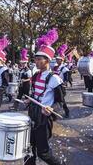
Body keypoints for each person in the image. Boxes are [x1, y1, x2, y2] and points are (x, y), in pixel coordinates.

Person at [24, 28, 65, 165]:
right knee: (28, 149)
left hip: (44, 117)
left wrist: (51, 108)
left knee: (43, 152)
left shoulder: (55, 79)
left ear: (47, 60)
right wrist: (28, 100)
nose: (36, 62)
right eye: (35, 59)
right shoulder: (35, 76)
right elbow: (34, 93)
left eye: (39, 59)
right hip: (32, 113)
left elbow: (60, 103)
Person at [53, 44, 70, 118]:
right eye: (56, 59)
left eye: (58, 59)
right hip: (55, 85)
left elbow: (67, 78)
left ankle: (67, 111)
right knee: (55, 100)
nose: (57, 60)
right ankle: (53, 114)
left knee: (61, 100)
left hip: (61, 86)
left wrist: (65, 83)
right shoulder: (55, 67)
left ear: (62, 60)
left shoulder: (65, 69)